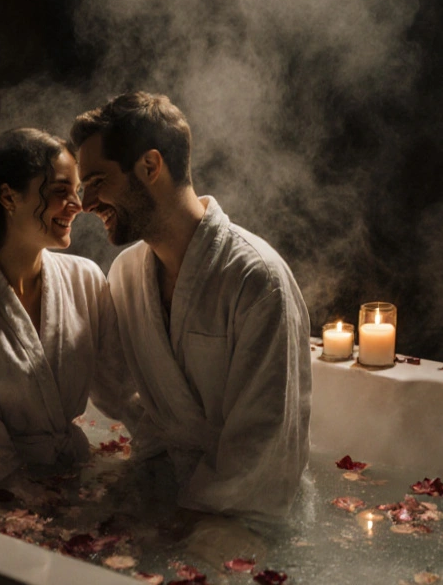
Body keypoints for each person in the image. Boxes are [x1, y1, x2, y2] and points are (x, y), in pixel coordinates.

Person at [70, 91, 311, 526]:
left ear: (150, 167)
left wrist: (196, 525)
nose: (85, 204)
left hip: (247, 515)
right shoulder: (126, 275)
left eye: (98, 181)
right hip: (171, 493)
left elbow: (265, 446)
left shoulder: (257, 279)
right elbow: (125, 396)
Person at [0, 127, 138, 501]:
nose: (79, 205)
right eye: (59, 192)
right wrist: (26, 489)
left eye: (78, 190)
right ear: (8, 197)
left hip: (64, 474)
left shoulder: (85, 280)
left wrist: (173, 448)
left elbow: (121, 390)